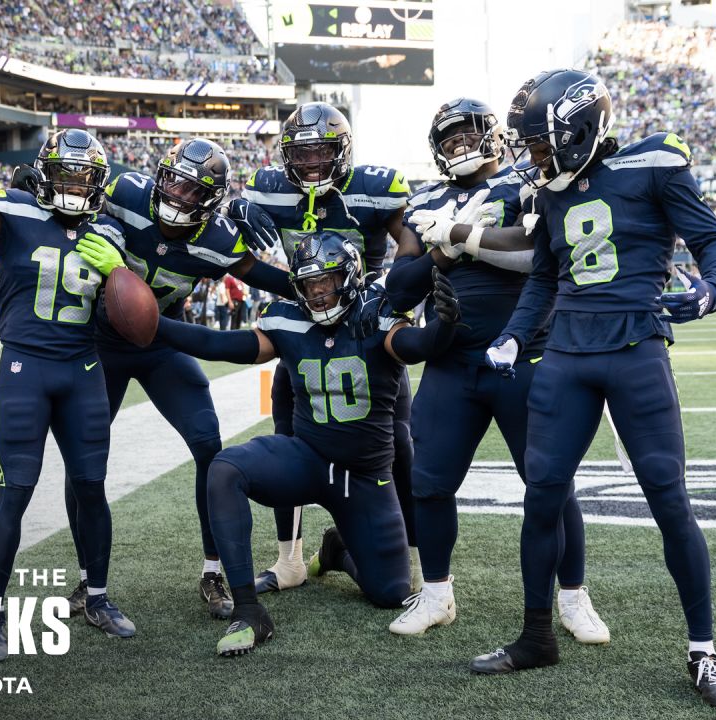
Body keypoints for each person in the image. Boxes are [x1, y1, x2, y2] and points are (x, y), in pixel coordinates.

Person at [472, 69, 716, 708]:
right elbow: (544, 275)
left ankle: (702, 651)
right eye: (530, 146)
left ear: (580, 131)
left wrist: (711, 289)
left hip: (634, 349)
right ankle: (538, 634)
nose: (533, 157)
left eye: (541, 144)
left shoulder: (655, 165)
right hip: (565, 353)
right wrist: (513, 334)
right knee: (541, 496)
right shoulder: (556, 190)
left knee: (667, 498)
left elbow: (713, 241)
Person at [101, 230, 460, 656]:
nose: (319, 293)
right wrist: (158, 327)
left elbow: (414, 346)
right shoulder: (287, 320)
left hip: (364, 476)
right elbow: (223, 344)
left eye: (326, 281)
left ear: (348, 277)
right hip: (306, 457)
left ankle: (336, 549)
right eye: (310, 284)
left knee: (390, 591)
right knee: (224, 468)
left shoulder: (374, 314)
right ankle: (249, 612)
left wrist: (443, 327)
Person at [382, 97, 608, 643]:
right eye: (450, 137)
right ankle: (436, 593)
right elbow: (400, 285)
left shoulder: (526, 183)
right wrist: (438, 253)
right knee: (430, 483)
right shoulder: (423, 201)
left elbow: (539, 252)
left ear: (494, 136)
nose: (460, 144)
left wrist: (460, 237)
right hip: (452, 361)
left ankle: (574, 597)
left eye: (468, 133)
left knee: (551, 484)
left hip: (524, 354)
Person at [0, 121, 135, 661]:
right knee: (14, 491)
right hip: (26, 370)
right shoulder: (13, 213)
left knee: (91, 486)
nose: (76, 187)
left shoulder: (108, 232)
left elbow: (129, 302)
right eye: (66, 174)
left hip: (83, 370)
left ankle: (98, 598)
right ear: (44, 174)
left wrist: (121, 274)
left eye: (86, 179)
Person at [59, 138, 294, 621]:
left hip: (162, 343)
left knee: (210, 446)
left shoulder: (219, 239)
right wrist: (27, 190)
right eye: (174, 181)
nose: (179, 195)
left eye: (194, 189)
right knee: (84, 461)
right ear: (160, 174)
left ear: (211, 200)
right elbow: (66, 197)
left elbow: (265, 276)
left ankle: (213, 571)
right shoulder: (124, 191)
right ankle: (88, 580)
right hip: (100, 342)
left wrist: (320, 279)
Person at [234, 102, 424, 593]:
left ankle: (413, 559)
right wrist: (233, 211)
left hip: (365, 339)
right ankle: (290, 558)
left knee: (398, 443)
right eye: (302, 154)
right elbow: (241, 256)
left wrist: (389, 296)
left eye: (323, 153)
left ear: (344, 151)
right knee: (284, 436)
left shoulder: (376, 188)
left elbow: (413, 242)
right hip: (302, 340)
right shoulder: (269, 191)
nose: (313, 164)